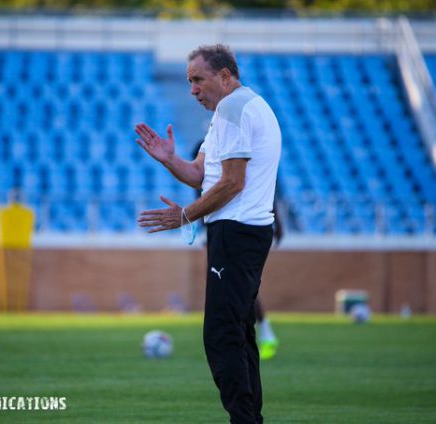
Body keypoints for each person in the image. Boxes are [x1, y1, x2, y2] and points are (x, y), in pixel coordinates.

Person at [135, 44, 281, 424]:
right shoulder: (231, 111)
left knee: (220, 334)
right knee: (239, 333)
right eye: (189, 82)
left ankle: (243, 420)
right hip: (240, 233)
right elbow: (202, 175)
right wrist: (171, 160)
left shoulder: (234, 109)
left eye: (198, 80)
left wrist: (185, 215)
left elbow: (232, 183)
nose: (193, 90)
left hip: (236, 232)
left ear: (225, 76)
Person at [190, 140, 282, 361]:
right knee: (238, 287)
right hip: (220, 233)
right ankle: (256, 332)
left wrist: (277, 222)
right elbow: (203, 203)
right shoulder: (210, 173)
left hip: (238, 231)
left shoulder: (235, 169)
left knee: (239, 286)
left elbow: (264, 193)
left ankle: (253, 333)